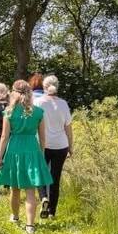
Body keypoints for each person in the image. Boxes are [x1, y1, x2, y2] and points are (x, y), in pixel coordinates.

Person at [0, 79, 53, 234]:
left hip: (14, 150)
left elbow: (4, 137)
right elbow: (43, 138)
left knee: (15, 187)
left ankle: (15, 216)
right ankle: (30, 226)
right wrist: (40, 154)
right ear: (29, 93)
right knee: (31, 190)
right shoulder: (38, 112)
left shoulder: (9, 111)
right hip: (32, 150)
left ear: (13, 92)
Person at [34, 75, 73, 219]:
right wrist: (71, 146)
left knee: (39, 173)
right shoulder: (63, 104)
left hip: (42, 145)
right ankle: (52, 212)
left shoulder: (38, 102)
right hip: (61, 145)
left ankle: (44, 197)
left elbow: (34, 124)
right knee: (55, 178)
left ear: (44, 87)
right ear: (57, 86)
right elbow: (68, 127)